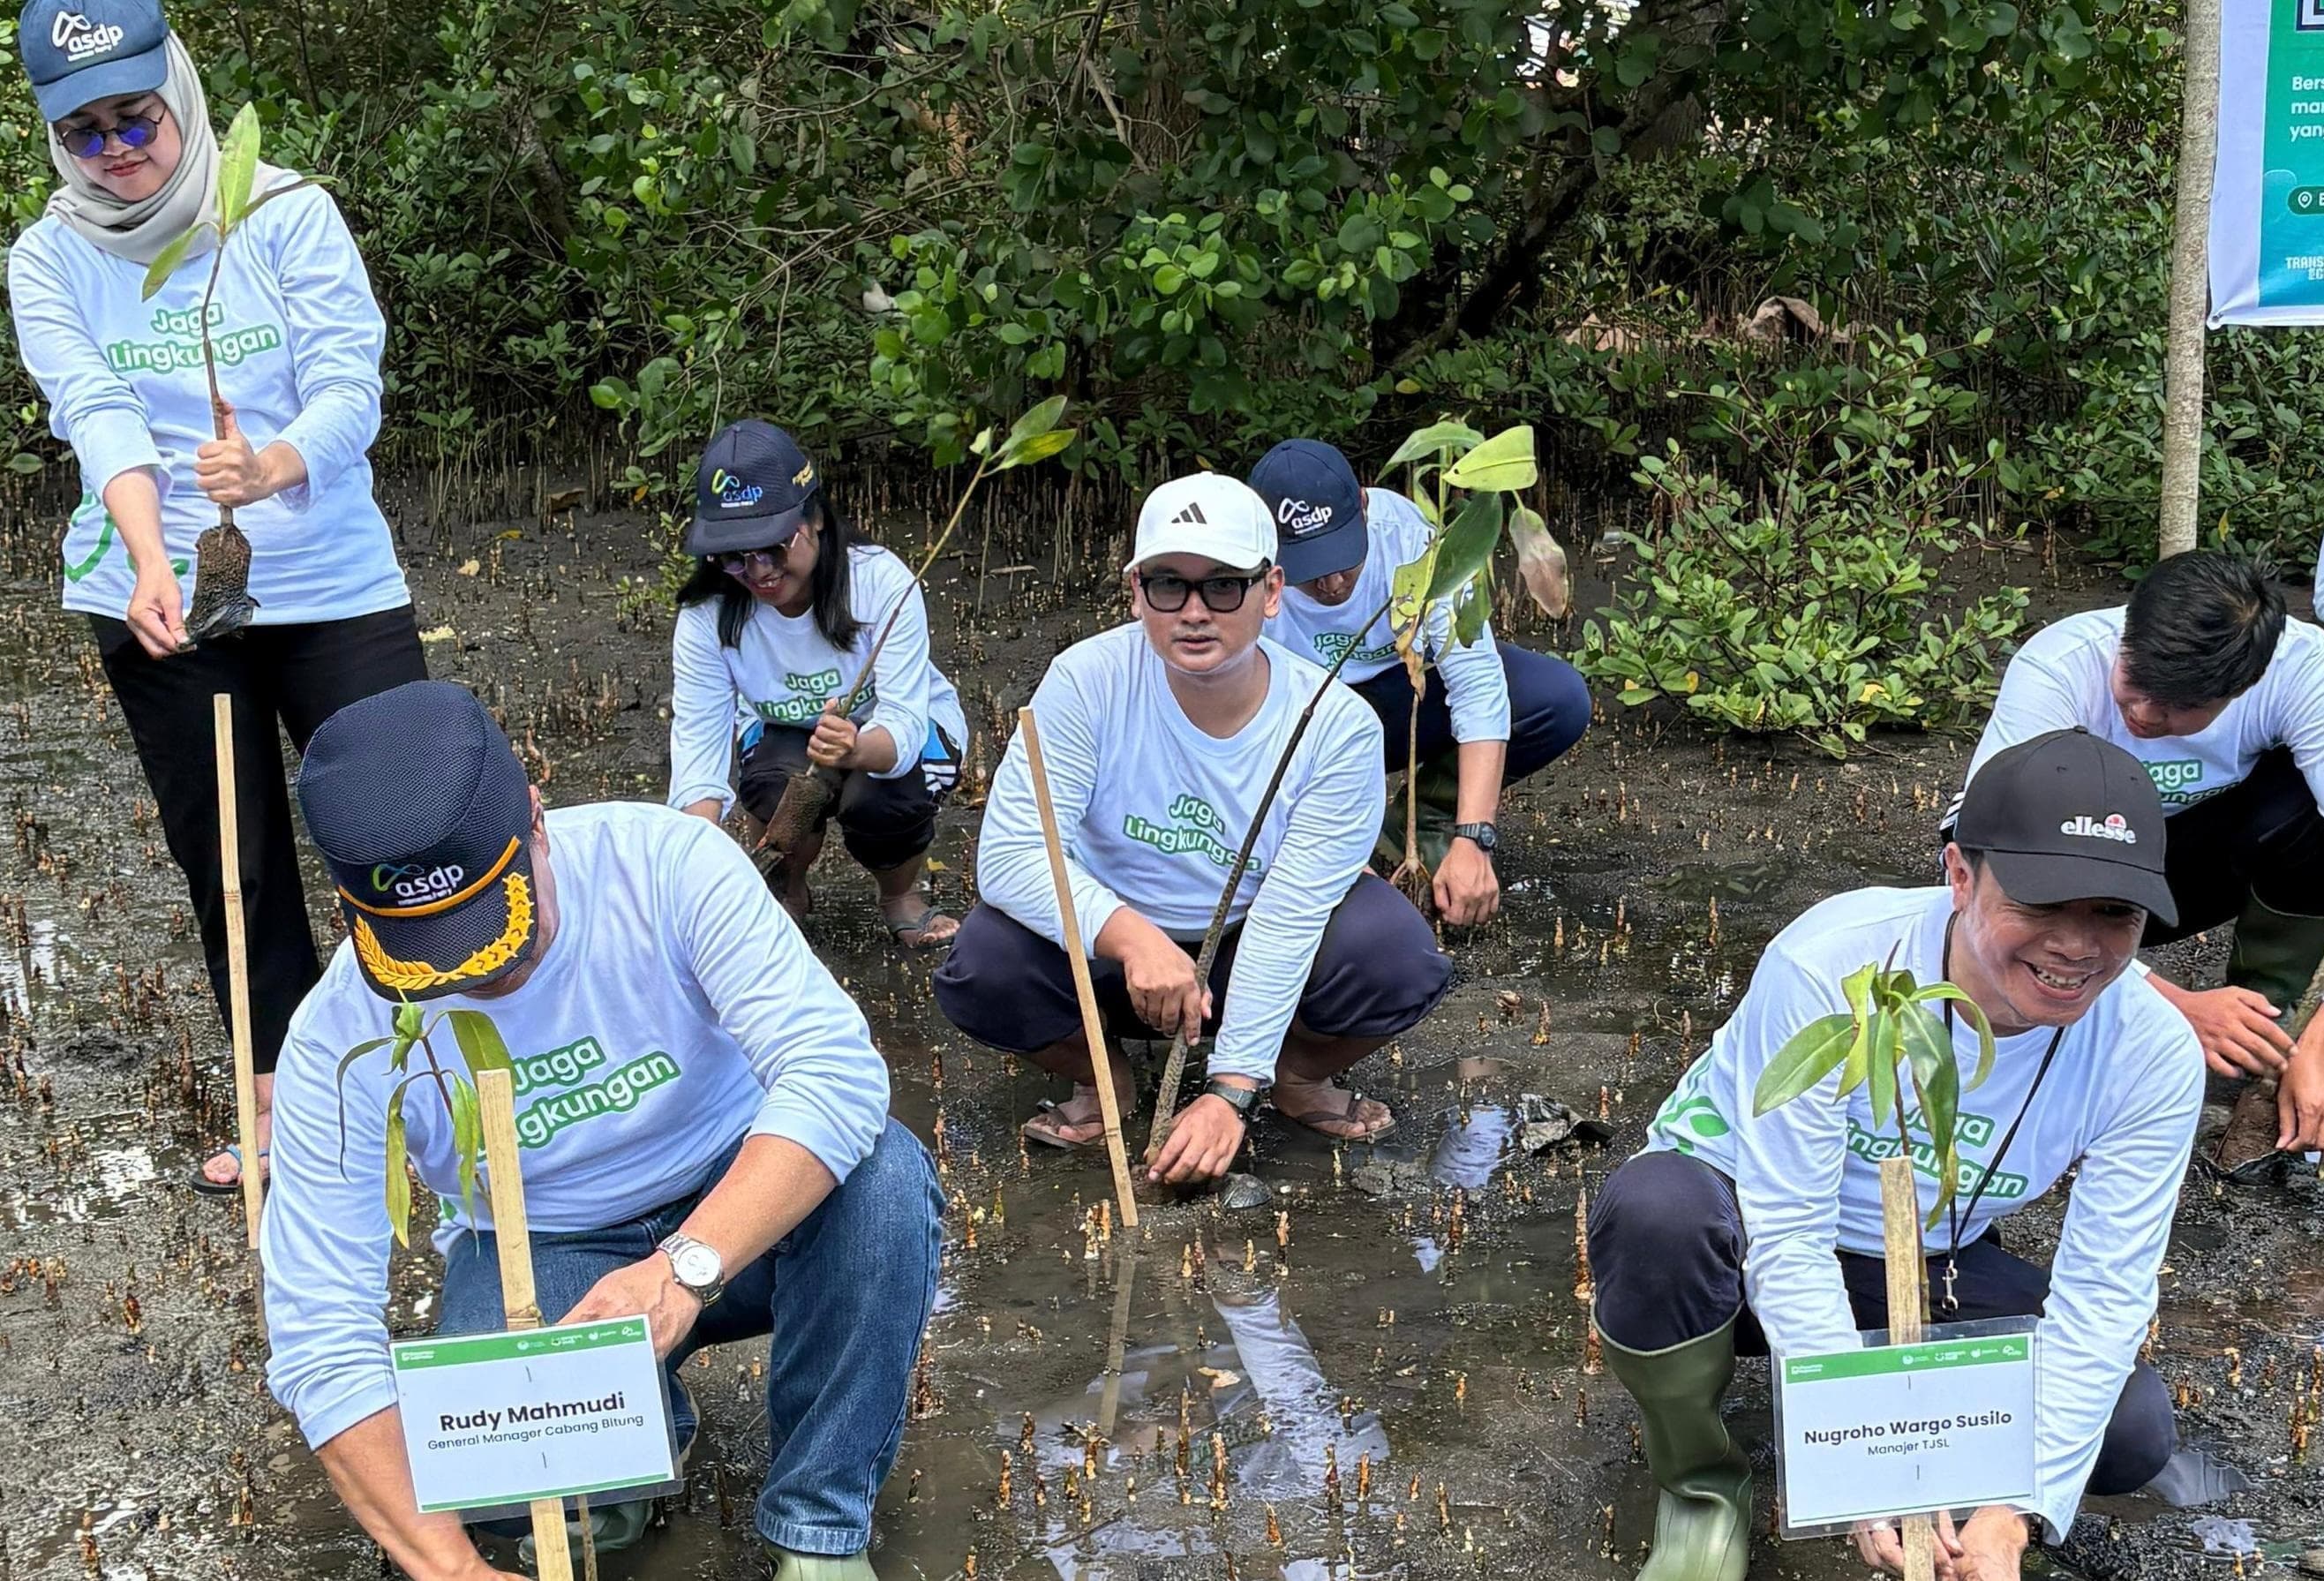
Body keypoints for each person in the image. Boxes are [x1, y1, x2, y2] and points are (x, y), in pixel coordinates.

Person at [261, 681, 942, 1581]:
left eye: (497, 930)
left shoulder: (663, 864)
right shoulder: (340, 1033)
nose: (477, 979)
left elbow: (836, 1075)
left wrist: (680, 1270)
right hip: (545, 1251)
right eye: (429, 957)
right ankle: (633, 1443)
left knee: (883, 1183)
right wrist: (449, 1568)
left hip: (742, 1209)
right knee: (495, 1493)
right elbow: (320, 1332)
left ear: (535, 820)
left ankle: (816, 1528)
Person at [1591, 728, 2197, 1581]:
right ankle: (1701, 1488)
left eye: (2113, 913)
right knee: (1658, 1212)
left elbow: (2104, 1293)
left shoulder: (2151, 1050)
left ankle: (1950, 1485)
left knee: (2129, 1426)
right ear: (1958, 874)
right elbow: (1788, 1229)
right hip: (1740, 1232)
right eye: (2039, 903)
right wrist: (1860, 1469)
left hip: (1922, 1258)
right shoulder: (1831, 966)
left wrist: (2011, 1510)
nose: (2076, 945)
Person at [8, 0, 428, 1193]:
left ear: (178, 93)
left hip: (330, 574)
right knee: (232, 858)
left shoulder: (284, 212)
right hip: (156, 591)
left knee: (401, 832)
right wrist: (150, 553)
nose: (117, 150)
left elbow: (353, 384)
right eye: (82, 133)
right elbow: (95, 409)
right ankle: (288, 1117)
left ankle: (426, 1087)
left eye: (133, 117)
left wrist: (277, 461)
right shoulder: (48, 254)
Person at [932, 473, 1451, 1175]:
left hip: (1244, 943)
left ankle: (1292, 1076)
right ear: (1135, 590)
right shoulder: (1084, 681)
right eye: (1167, 584)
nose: (1194, 611)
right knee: (982, 961)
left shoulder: (1336, 726)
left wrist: (1230, 1090)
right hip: (1112, 955)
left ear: (1271, 592)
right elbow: (1010, 855)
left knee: (1393, 954)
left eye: (1223, 586)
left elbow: (1290, 913)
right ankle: (1101, 1078)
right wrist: (1132, 936)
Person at [1945, 552, 2324, 1172]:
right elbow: (1971, 857)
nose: (2145, 714)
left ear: (2242, 686)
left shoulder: (2302, 671)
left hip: (2194, 863)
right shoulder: (2060, 664)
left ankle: (2261, 1035)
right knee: (1990, 919)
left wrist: (2318, 1041)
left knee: (2305, 811)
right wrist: (2170, 1001)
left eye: (2178, 705)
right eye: (2135, 682)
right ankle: (2074, 1023)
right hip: (2069, 866)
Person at [1245, 439, 1591, 926]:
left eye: (1342, 560)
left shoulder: (1408, 536)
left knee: (1557, 699)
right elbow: (1243, 731)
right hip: (1307, 726)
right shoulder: (1241, 574)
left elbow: (1476, 683)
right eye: (1308, 570)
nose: (1330, 585)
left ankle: (1426, 822)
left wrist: (1474, 837)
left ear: (1363, 508)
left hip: (1403, 697)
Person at [669, 419, 968, 950]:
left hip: (892, 733)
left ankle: (898, 895)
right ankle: (789, 886)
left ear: (817, 519)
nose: (757, 571)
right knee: (771, 782)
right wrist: (697, 852)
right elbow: (699, 745)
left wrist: (855, 746)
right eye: (733, 556)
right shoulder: (707, 617)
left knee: (880, 799)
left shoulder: (880, 581)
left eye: (772, 547)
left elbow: (901, 722)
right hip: (784, 732)